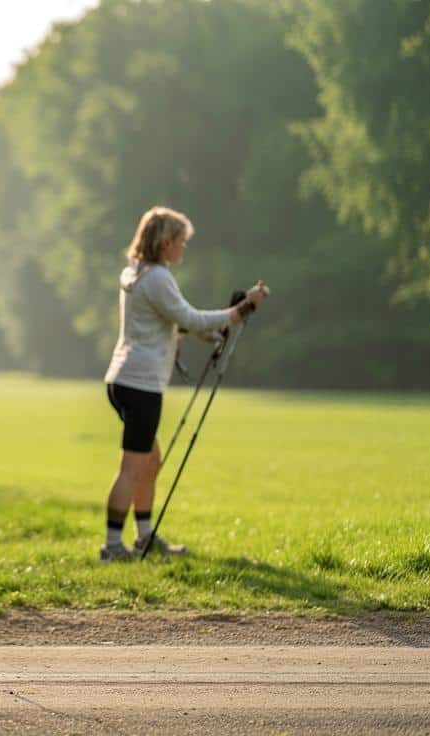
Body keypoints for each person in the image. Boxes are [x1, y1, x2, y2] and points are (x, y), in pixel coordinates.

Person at [101, 206, 268, 561]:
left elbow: (175, 323)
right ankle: (113, 546)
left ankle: (144, 537)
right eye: (181, 241)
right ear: (165, 243)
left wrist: (216, 329)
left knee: (149, 461)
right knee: (132, 468)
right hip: (142, 383)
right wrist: (241, 311)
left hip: (123, 378)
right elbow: (188, 318)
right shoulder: (158, 277)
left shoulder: (136, 273)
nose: (183, 248)